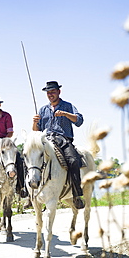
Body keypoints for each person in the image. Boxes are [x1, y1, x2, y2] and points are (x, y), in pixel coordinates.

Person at [32, 81, 85, 209]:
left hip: (63, 140)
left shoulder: (67, 106)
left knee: (73, 161)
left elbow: (79, 121)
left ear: (59, 92)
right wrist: (34, 122)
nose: (50, 94)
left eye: (53, 92)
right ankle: (30, 194)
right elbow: (36, 131)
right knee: (29, 159)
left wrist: (65, 114)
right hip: (46, 141)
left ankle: (77, 194)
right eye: (48, 92)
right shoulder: (43, 110)